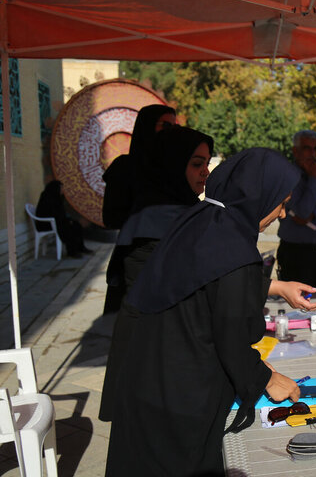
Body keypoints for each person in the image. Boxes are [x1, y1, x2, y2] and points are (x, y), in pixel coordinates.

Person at [106, 149, 303, 476]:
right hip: (180, 399)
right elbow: (230, 335)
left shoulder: (201, 219)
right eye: (281, 203)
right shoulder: (235, 249)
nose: (282, 214)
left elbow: (203, 297)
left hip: (148, 377)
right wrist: (266, 378)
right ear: (260, 194)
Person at [98, 126, 213, 422]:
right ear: (173, 165)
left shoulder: (183, 209)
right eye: (197, 164)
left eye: (207, 164)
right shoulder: (155, 219)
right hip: (149, 355)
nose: (206, 172)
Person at [101, 104, 176, 313]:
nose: (171, 131)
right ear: (147, 126)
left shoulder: (176, 168)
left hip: (172, 261)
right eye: (166, 125)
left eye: (174, 126)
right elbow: (111, 217)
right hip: (137, 257)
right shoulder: (125, 168)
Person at [277, 130, 316, 288]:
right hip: (295, 254)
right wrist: (313, 179)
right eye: (307, 148)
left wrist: (315, 214)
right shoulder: (288, 177)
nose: (312, 154)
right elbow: (301, 212)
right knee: (299, 307)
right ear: (295, 151)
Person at [35, 180, 92, 258]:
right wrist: (66, 221)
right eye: (61, 188)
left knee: (76, 225)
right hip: (47, 224)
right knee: (69, 229)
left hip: (56, 221)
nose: (62, 190)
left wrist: (68, 220)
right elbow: (52, 214)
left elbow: (60, 213)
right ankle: (72, 252)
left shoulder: (56, 198)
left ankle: (80, 247)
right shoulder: (47, 198)